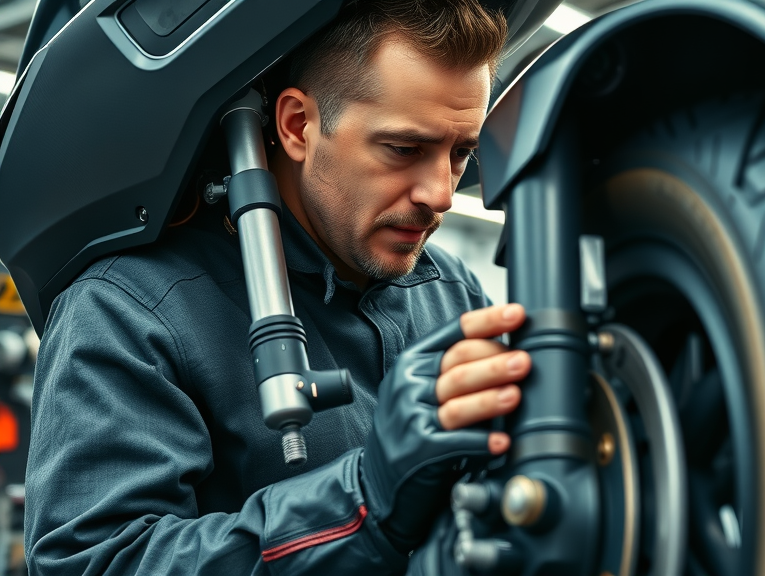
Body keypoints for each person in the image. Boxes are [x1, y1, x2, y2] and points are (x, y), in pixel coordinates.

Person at [24, 1, 526, 573]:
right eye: (404, 149)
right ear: (297, 126)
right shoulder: (131, 309)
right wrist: (365, 495)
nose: (439, 193)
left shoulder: (452, 293)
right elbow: (96, 562)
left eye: (461, 154)